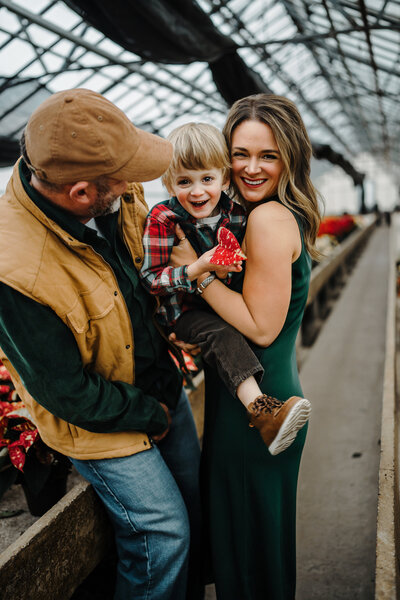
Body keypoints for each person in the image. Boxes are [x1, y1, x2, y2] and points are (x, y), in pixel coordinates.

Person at [0, 88, 203, 600]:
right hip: (97, 417)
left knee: (195, 501)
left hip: (159, 381)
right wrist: (150, 414)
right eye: (125, 176)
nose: (138, 182)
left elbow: (148, 274)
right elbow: (65, 390)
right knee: (162, 533)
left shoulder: (108, 194)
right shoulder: (17, 267)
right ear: (82, 193)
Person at [170, 94, 322, 599]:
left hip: (260, 410)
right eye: (240, 153)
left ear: (289, 159)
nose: (251, 168)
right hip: (250, 400)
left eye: (268, 156)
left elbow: (258, 328)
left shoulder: (266, 221)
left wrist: (195, 271)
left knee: (251, 563)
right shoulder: (250, 216)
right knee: (258, 552)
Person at [140, 122, 311, 456]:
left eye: (206, 179)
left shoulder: (236, 215)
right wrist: (195, 268)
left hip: (220, 308)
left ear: (223, 177)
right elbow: (151, 279)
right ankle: (262, 410)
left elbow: (245, 272)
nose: (197, 191)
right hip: (184, 313)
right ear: (168, 182)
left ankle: (265, 413)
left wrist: (227, 269)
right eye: (184, 181)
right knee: (220, 334)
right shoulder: (163, 219)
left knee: (221, 331)